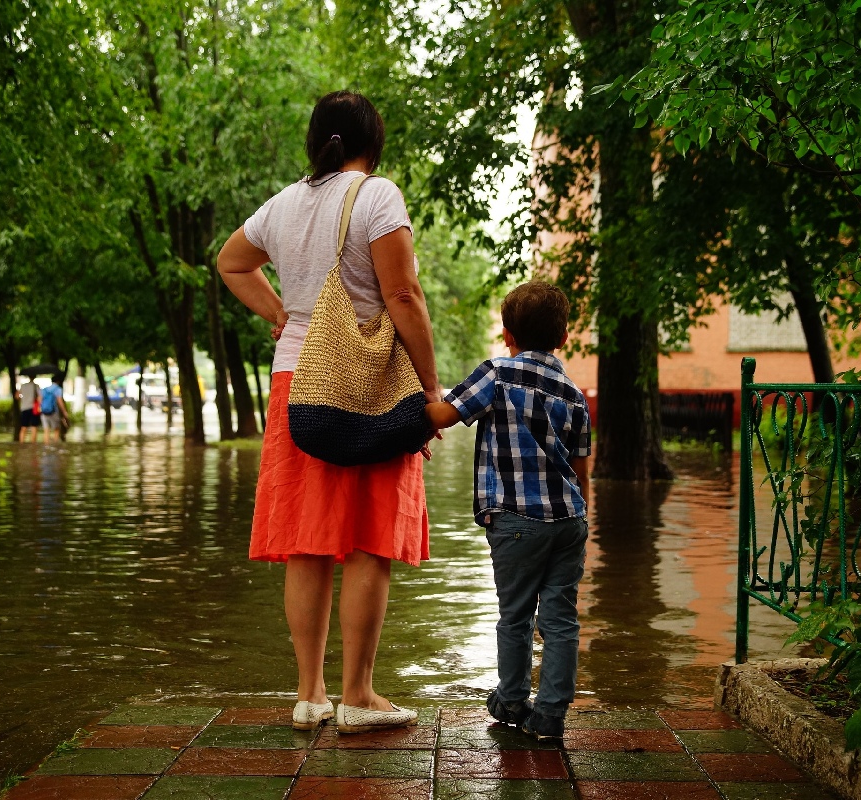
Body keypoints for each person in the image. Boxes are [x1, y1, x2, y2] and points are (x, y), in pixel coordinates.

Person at [217, 90, 439, 733]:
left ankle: (309, 695)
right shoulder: (376, 195)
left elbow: (231, 262)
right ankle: (358, 695)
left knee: (307, 544)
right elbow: (401, 293)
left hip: (296, 380)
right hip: (367, 384)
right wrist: (428, 389)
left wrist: (281, 314)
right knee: (369, 540)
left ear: (318, 141)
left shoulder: (283, 204)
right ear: (372, 141)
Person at [424, 281, 591, 741]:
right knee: (560, 619)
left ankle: (513, 699)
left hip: (516, 519)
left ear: (507, 334)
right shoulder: (574, 394)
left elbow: (443, 415)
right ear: (562, 337)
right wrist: (581, 521)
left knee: (515, 614)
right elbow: (580, 470)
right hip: (569, 521)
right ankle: (551, 715)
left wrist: (412, 399)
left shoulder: (498, 372)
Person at [40, 374, 69, 444]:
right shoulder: (58, 389)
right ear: (58, 381)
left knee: (46, 430)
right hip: (53, 412)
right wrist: (64, 411)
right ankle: (55, 445)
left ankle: (46, 446)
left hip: (44, 412)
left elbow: (40, 400)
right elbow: (59, 401)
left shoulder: (44, 389)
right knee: (56, 429)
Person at [17, 378, 41, 443]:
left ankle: (21, 444)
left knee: (23, 427)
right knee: (34, 427)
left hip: (24, 408)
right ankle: (33, 444)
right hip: (33, 409)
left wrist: (23, 398)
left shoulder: (23, 386)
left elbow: (17, 396)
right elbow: (40, 397)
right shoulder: (36, 386)